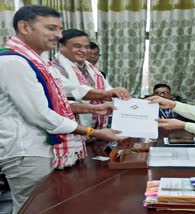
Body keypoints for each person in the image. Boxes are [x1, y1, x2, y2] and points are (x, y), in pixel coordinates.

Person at [0, 5, 126, 213]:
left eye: (59, 29)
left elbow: (62, 95)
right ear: (24, 27)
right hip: (26, 150)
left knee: (52, 205)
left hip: (41, 147)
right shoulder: (13, 62)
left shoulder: (39, 62)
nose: (58, 35)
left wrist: (100, 100)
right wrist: (91, 131)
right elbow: (41, 114)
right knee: (33, 208)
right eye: (51, 28)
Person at [53, 29, 128, 129]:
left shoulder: (93, 70)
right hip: (71, 129)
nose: (84, 51)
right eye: (77, 46)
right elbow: (73, 90)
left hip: (96, 131)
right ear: (61, 46)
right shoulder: (53, 68)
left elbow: (108, 90)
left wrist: (119, 94)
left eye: (86, 47)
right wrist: (107, 94)